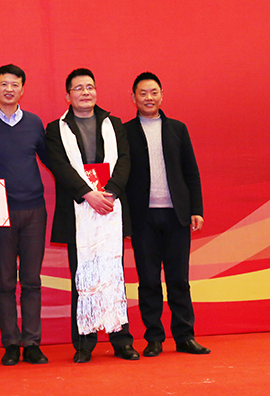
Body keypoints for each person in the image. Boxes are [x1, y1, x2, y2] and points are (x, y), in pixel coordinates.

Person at [45, 68, 139, 363]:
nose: (85, 92)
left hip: (111, 205)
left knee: (113, 273)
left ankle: (121, 339)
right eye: (78, 88)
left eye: (90, 87)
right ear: (68, 95)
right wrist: (88, 194)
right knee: (82, 274)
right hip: (79, 210)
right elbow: (60, 166)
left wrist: (110, 192)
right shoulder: (55, 129)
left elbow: (124, 160)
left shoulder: (114, 123)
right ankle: (84, 342)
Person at [124, 72, 210, 357]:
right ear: (133, 97)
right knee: (148, 280)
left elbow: (191, 172)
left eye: (154, 92)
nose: (149, 98)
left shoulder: (177, 129)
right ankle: (154, 338)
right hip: (143, 218)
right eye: (143, 93)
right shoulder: (124, 132)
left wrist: (196, 209)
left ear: (162, 95)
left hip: (176, 216)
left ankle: (185, 336)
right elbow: (120, 176)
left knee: (178, 279)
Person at [0, 64, 50, 366]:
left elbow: (51, 159)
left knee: (31, 281)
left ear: (22, 89)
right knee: (5, 282)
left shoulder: (34, 123)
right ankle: (11, 344)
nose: (9, 89)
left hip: (34, 210)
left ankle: (32, 343)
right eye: (4, 84)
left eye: (15, 84)